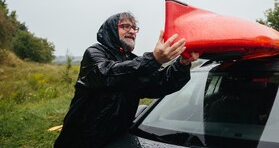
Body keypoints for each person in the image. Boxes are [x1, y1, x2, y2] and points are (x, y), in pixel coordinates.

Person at [54, 12, 199, 148]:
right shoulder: (95, 53)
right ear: (111, 29)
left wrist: (182, 64)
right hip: (81, 140)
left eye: (135, 28)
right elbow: (109, 75)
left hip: (120, 139)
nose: (132, 31)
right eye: (125, 26)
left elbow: (160, 83)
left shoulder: (134, 60)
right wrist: (154, 60)